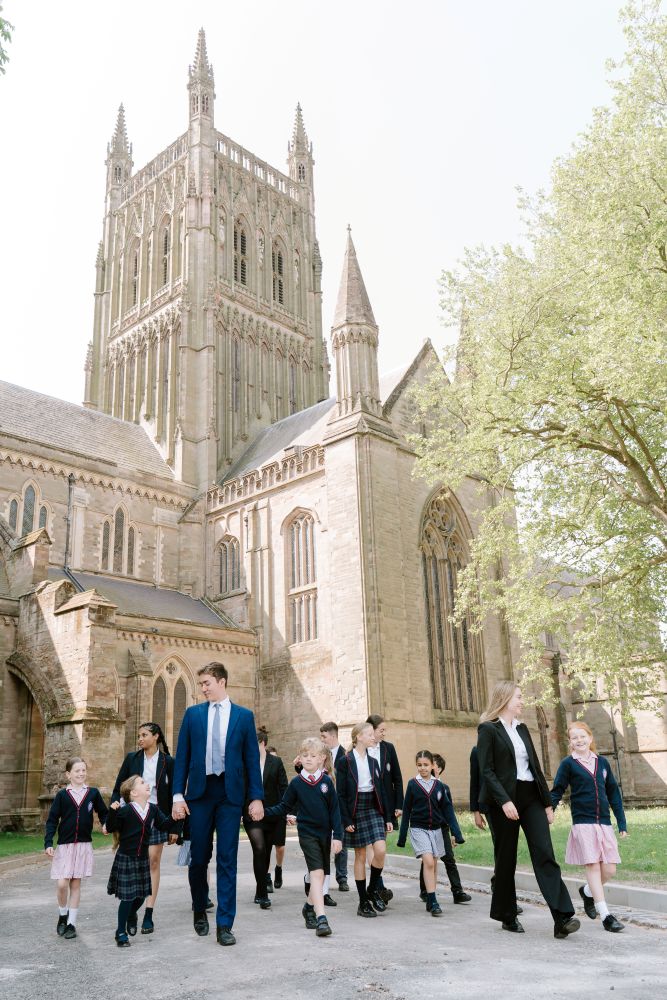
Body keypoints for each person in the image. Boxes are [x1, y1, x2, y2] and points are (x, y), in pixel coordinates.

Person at [477, 681, 579, 939]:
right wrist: (504, 801)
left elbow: (535, 766)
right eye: (519, 697)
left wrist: (547, 803)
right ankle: (506, 914)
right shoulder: (488, 729)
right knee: (506, 858)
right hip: (503, 801)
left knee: (545, 852)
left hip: (530, 796)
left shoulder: (522, 729)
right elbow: (486, 771)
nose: (523, 701)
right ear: (505, 699)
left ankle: (562, 917)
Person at [172, 661, 264, 947]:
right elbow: (182, 757)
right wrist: (177, 795)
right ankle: (200, 907)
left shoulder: (243, 716)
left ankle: (225, 923)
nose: (202, 689)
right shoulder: (193, 715)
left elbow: (251, 761)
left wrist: (256, 797)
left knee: (228, 859)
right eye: (201, 684)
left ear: (221, 682)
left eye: (206, 683)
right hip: (199, 794)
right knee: (199, 856)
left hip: (229, 795)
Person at [551, 721, 628, 933]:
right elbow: (557, 789)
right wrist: (549, 810)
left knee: (609, 869)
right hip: (583, 823)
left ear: (590, 738)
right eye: (574, 738)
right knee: (593, 866)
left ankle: (586, 892)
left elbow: (613, 792)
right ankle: (606, 915)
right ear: (570, 743)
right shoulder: (568, 764)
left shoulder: (602, 763)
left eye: (582, 736)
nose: (579, 740)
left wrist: (621, 822)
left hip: (603, 822)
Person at [265, 737, 343, 937]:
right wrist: (264, 812)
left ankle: (308, 907)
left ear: (322, 759)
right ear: (300, 758)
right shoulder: (296, 783)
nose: (308, 759)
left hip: (325, 835)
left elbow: (335, 811)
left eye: (313, 756)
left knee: (322, 875)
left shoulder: (326, 782)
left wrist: (338, 836)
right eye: (305, 755)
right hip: (307, 834)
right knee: (316, 874)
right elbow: (284, 807)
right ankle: (321, 919)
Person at [111, 721, 176, 934]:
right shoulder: (132, 759)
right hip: (134, 816)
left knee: (153, 862)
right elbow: (118, 787)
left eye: (144, 735)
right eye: (139, 735)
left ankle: (148, 912)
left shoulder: (168, 761)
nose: (140, 739)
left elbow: (176, 794)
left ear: (156, 736)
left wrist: (176, 827)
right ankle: (130, 909)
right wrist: (111, 814)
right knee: (138, 863)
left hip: (157, 816)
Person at [106, 775, 179, 947]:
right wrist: (112, 811)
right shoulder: (125, 811)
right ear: (133, 792)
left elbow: (164, 825)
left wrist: (177, 816)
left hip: (141, 859)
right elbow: (110, 827)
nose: (147, 784)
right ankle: (121, 932)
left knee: (143, 894)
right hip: (126, 859)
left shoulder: (152, 809)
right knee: (128, 897)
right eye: (142, 782)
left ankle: (132, 915)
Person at [44, 757, 108, 940]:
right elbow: (51, 821)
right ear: (68, 774)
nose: (81, 774)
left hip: (83, 845)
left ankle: (71, 923)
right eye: (77, 771)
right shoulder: (62, 796)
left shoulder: (92, 793)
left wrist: (105, 825)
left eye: (83, 770)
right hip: (64, 846)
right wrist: (48, 842)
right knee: (62, 883)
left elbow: (103, 813)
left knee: (75, 884)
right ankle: (62, 915)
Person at [336, 721, 392, 918]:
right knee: (360, 855)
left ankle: (372, 889)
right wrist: (346, 819)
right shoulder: (345, 761)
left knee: (381, 850)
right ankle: (363, 902)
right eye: (369, 734)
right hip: (355, 810)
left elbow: (382, 791)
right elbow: (340, 794)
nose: (372, 737)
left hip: (373, 809)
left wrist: (388, 817)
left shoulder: (374, 762)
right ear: (359, 736)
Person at [397, 750, 460, 916]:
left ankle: (431, 895)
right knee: (428, 862)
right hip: (419, 829)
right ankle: (433, 900)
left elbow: (448, 810)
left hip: (436, 830)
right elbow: (407, 809)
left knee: (433, 863)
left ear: (433, 766)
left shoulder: (439, 786)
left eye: (426, 765)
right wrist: (402, 836)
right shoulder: (412, 784)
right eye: (419, 765)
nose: (422, 768)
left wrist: (456, 833)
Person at [243, 726, 288, 909]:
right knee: (259, 849)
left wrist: (285, 811)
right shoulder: (245, 763)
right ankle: (262, 893)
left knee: (267, 852)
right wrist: (243, 810)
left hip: (272, 815)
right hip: (252, 815)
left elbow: (284, 788)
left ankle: (260, 888)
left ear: (262, 743)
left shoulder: (275, 763)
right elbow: (241, 788)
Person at [366, 714, 403, 903]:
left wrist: (399, 804)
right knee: (372, 846)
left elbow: (397, 777)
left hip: (386, 805)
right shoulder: (362, 749)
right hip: (367, 804)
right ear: (371, 730)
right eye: (381, 730)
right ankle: (377, 887)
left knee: (381, 845)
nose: (383, 733)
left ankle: (376, 886)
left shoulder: (388, 749)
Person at [424, 753, 470, 905]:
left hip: (442, 829)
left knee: (449, 859)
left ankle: (457, 891)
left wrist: (452, 834)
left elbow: (449, 812)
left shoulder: (445, 788)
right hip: (428, 828)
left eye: (433, 765)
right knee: (429, 860)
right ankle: (425, 890)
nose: (429, 767)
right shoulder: (421, 785)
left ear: (439, 769)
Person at [319, 721, 349, 892]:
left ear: (333, 735)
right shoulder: (319, 755)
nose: (322, 740)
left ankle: (342, 877)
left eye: (324, 736)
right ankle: (321, 877)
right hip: (322, 804)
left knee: (341, 842)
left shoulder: (346, 755)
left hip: (339, 805)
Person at [264, 746, 287, 888]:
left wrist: (287, 810)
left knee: (279, 847)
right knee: (265, 848)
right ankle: (267, 878)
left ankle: (278, 868)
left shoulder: (279, 766)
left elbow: (285, 788)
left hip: (279, 811)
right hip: (265, 811)